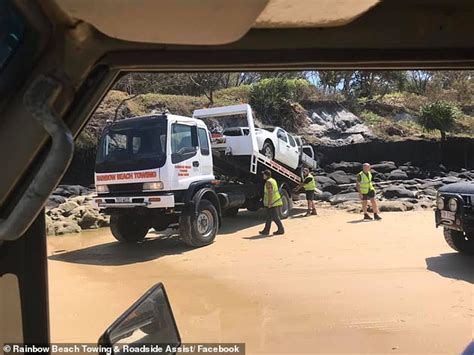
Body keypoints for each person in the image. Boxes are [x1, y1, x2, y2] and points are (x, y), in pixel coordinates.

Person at [259, 170, 285, 235]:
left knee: (275, 217)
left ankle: (281, 229)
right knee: (269, 217)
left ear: (266, 175)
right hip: (275, 200)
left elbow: (270, 193)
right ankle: (266, 230)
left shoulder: (268, 182)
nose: (263, 176)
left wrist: (270, 203)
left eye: (264, 175)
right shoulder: (273, 180)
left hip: (272, 202)